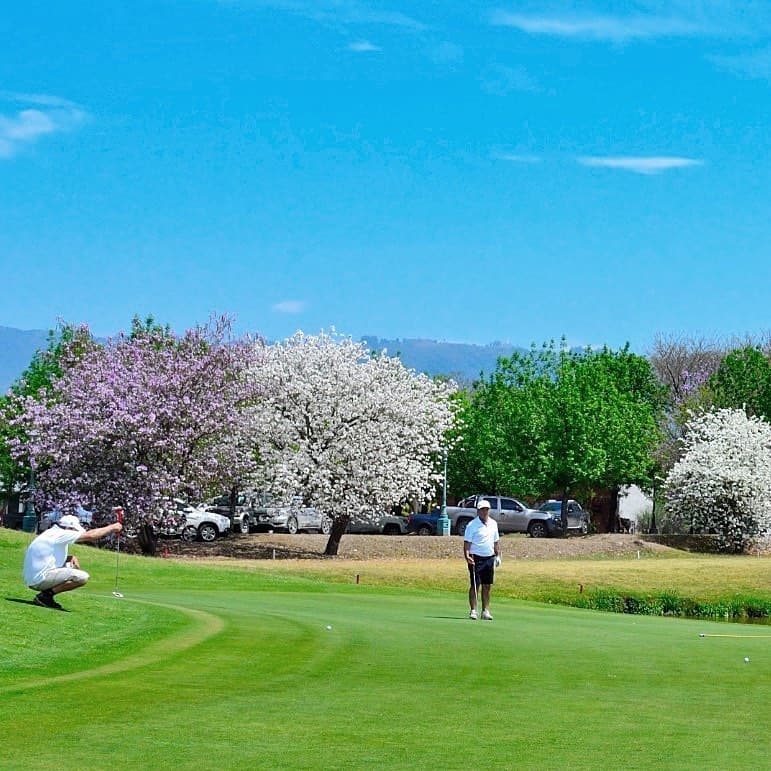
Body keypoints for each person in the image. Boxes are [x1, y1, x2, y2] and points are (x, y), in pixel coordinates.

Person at [23, 513, 123, 610]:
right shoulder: (61, 534)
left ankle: (45, 595)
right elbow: (90, 536)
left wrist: (68, 558)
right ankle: (45, 596)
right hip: (39, 580)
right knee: (82, 577)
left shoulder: (51, 533)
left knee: (69, 565)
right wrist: (112, 527)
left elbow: (47, 557)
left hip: (32, 578)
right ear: (68, 528)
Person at [463, 499, 501, 620]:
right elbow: (467, 543)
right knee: (475, 584)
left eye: (486, 509)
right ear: (478, 511)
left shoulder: (493, 524)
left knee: (487, 585)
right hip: (476, 558)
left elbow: (496, 542)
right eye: (482, 510)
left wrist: (498, 555)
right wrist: (467, 556)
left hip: (489, 557)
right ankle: (473, 610)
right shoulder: (472, 525)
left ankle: (485, 611)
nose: (484, 512)